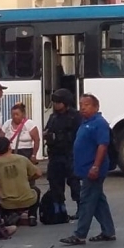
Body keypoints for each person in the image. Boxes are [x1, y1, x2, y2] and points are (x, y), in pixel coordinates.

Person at [60, 93, 116, 245]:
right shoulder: (85, 122)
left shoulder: (99, 123)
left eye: (86, 105)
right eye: (81, 104)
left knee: (86, 201)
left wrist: (96, 166)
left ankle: (80, 234)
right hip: (85, 169)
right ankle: (108, 231)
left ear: (96, 107)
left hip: (93, 170)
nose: (82, 107)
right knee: (98, 201)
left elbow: (102, 145)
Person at [0, 137, 41, 226]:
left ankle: (10, 215)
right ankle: (32, 216)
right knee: (36, 190)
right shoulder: (22, 159)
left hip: (8, 204)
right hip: (27, 200)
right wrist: (28, 179)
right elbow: (38, 173)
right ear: (9, 147)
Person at [44, 89, 81, 219]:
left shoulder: (75, 116)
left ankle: (81, 209)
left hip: (70, 154)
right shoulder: (53, 117)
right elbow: (47, 130)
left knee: (74, 182)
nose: (55, 105)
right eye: (54, 102)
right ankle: (60, 210)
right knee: (55, 183)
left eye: (58, 102)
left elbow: (78, 135)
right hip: (55, 155)